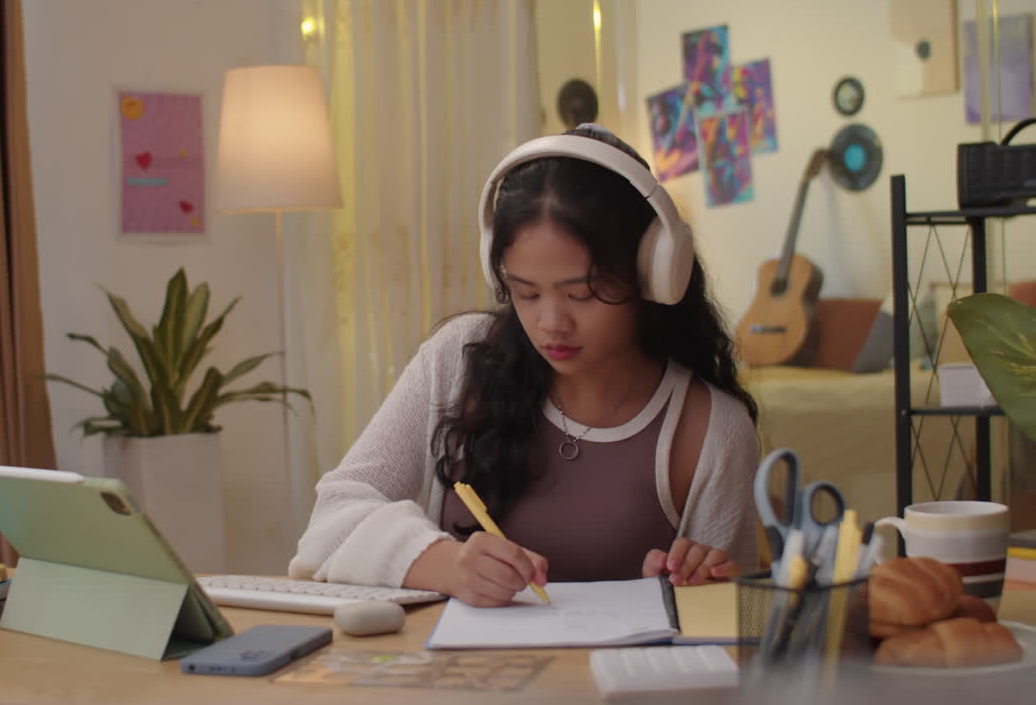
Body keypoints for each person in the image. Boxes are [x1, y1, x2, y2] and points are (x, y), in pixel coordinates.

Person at [289, 124, 760, 607]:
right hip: (450, 679)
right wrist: (446, 565)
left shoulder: (711, 430)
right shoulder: (459, 360)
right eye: (526, 292)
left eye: (581, 294)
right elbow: (330, 523)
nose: (551, 323)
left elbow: (742, 630)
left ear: (654, 274)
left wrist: (696, 593)